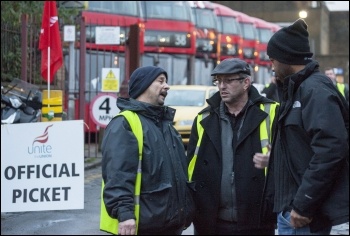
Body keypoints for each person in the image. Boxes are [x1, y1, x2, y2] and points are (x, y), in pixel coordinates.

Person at [264, 18, 349, 235]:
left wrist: (304, 203)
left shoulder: (314, 91)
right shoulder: (295, 90)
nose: (271, 65)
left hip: (308, 216)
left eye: (273, 59)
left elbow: (330, 150)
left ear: (286, 58)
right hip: (292, 212)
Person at [187, 58, 279, 235]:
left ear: (246, 83)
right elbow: (190, 167)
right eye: (218, 81)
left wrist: (272, 161)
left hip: (257, 220)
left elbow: (290, 159)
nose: (222, 86)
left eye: (228, 81)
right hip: (210, 222)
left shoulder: (272, 112)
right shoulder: (203, 118)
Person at [101, 66, 194, 235]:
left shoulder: (166, 126)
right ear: (143, 86)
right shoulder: (125, 123)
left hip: (171, 225)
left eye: (166, 81)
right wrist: (125, 214)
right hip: (144, 226)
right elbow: (118, 175)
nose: (167, 86)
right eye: (160, 81)